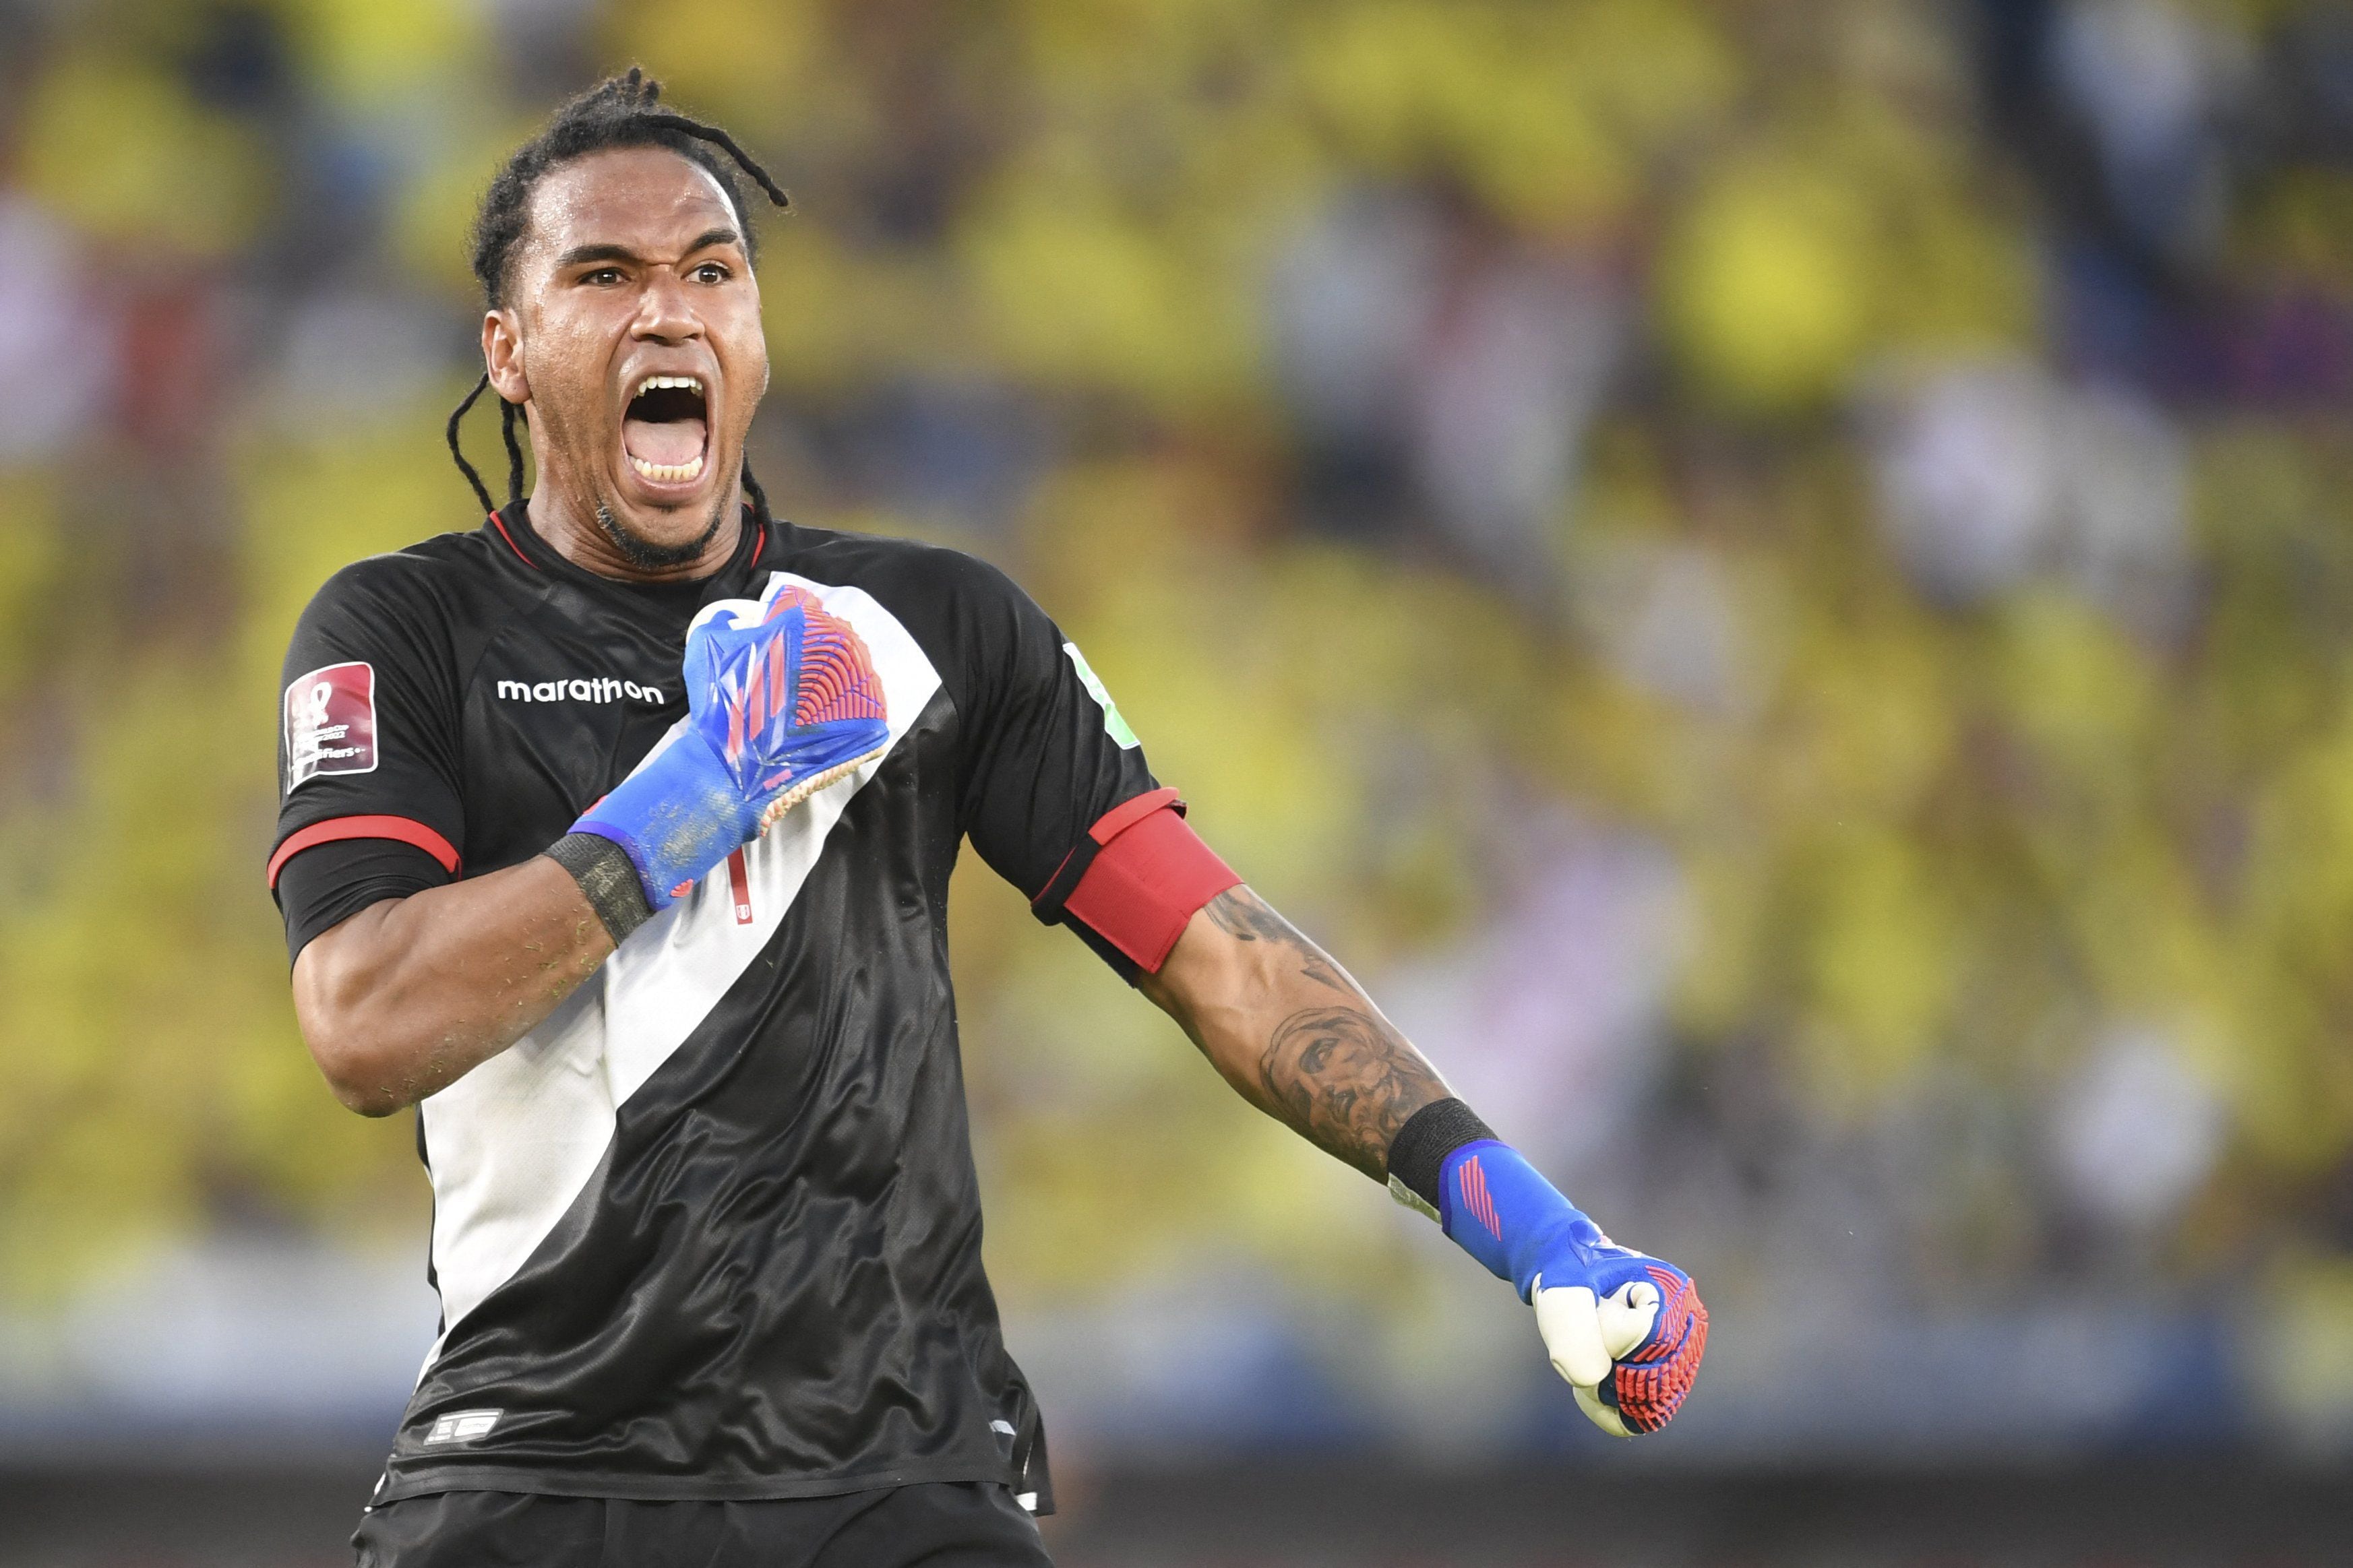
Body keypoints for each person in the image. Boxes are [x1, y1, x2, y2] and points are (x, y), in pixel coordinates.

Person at [270, 71, 1707, 1568]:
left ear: (756, 332)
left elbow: (1222, 959)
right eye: (604, 277)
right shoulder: (407, 628)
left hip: (898, 1484)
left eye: (711, 272)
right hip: (536, 1476)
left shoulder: (933, 626)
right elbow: (365, 1024)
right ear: (506, 350)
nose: (669, 313)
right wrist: (707, 793)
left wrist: (1536, 1228)